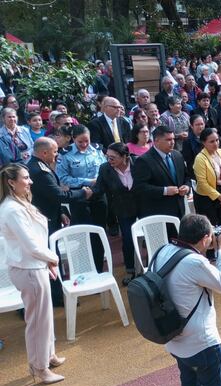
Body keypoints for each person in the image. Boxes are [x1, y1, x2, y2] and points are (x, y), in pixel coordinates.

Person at [156, 214, 221, 386]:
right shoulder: (194, 262)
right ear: (205, 239)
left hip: (175, 340)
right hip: (202, 344)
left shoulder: (162, 251)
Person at [0, 163, 66, 384]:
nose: (30, 181)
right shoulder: (12, 209)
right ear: (12, 182)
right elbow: (31, 245)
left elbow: (35, 241)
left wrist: (47, 262)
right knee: (37, 320)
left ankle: (48, 355)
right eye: (26, 178)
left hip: (34, 266)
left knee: (44, 317)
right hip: (28, 269)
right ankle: (39, 367)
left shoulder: (19, 203)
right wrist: (53, 259)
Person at [28, 137, 91, 305]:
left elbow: (48, 196)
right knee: (49, 257)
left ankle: (56, 293)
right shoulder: (39, 171)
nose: (57, 155)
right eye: (55, 152)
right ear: (44, 153)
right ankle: (56, 295)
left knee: (51, 255)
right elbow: (58, 194)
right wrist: (83, 193)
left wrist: (61, 211)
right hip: (44, 222)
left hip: (49, 217)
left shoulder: (39, 166)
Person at [56, 125, 108, 271]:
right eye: (80, 142)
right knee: (82, 234)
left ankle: (98, 267)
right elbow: (63, 178)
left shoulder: (97, 150)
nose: (84, 144)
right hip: (79, 197)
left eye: (87, 141)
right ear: (73, 139)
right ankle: (84, 267)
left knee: (99, 231)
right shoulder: (65, 154)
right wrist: (87, 182)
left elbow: (104, 170)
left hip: (98, 195)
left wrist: (96, 184)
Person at [93, 143, 139, 285]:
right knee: (128, 238)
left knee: (151, 234)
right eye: (108, 157)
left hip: (143, 205)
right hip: (123, 208)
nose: (109, 160)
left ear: (125, 156)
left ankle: (153, 265)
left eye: (113, 157)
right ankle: (130, 270)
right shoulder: (105, 168)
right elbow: (98, 189)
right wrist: (85, 193)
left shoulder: (138, 162)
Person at [132, 125, 191, 221]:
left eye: (173, 139)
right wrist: (164, 191)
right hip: (157, 214)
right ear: (156, 141)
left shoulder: (177, 155)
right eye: (168, 140)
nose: (172, 142)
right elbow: (139, 188)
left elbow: (186, 177)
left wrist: (187, 187)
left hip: (179, 211)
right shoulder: (144, 161)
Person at [192, 128, 221, 244]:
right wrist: (218, 196)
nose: (216, 144)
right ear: (203, 143)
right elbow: (202, 182)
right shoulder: (200, 158)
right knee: (210, 231)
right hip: (206, 197)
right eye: (212, 141)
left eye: (217, 140)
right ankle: (211, 254)